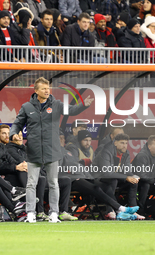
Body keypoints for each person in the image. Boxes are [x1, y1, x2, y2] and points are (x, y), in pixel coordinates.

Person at [10, 77, 94, 223]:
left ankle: (54, 213)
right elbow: (17, 124)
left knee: (53, 183)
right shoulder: (27, 107)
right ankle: (31, 213)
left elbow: (72, 110)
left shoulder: (57, 104)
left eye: (48, 88)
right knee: (31, 183)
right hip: (34, 151)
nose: (47, 91)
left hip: (52, 151)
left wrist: (83, 105)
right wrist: (13, 133)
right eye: (43, 89)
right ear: (36, 91)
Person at [58, 131, 139, 220]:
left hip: (85, 176)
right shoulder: (61, 151)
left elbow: (77, 165)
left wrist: (88, 176)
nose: (62, 140)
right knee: (97, 188)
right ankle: (121, 209)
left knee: (107, 187)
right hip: (73, 179)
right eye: (60, 138)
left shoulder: (67, 152)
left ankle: (119, 211)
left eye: (63, 138)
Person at [92, 133, 145, 220]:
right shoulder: (106, 151)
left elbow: (126, 170)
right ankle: (110, 210)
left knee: (133, 182)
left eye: (126, 143)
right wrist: (126, 177)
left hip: (115, 177)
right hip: (98, 177)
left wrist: (133, 176)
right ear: (115, 143)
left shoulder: (126, 153)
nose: (124, 146)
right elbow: (107, 173)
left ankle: (132, 209)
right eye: (122, 143)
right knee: (113, 180)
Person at [6, 131, 48, 221]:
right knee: (38, 177)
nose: (20, 137)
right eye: (17, 135)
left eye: (21, 135)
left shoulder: (25, 149)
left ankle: (59, 211)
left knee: (60, 180)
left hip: (35, 174)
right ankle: (32, 211)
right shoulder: (9, 148)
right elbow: (22, 162)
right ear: (11, 137)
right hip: (19, 176)